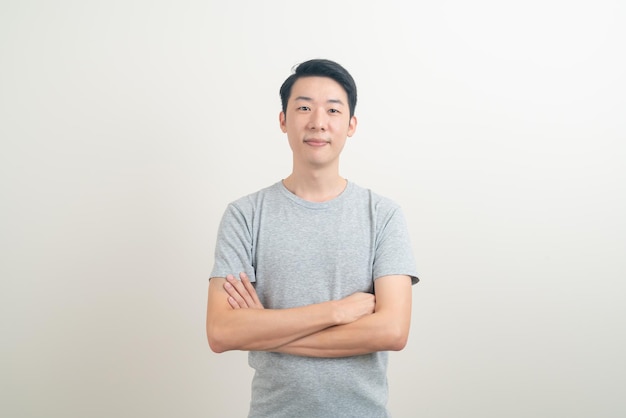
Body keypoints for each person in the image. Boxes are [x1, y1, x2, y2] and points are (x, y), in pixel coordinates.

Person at [206, 58, 419, 418]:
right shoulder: (245, 215)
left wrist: (265, 329)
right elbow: (222, 331)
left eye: (333, 110)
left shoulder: (383, 215)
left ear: (351, 125)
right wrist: (337, 311)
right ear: (283, 120)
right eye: (303, 107)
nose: (318, 121)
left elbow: (392, 330)